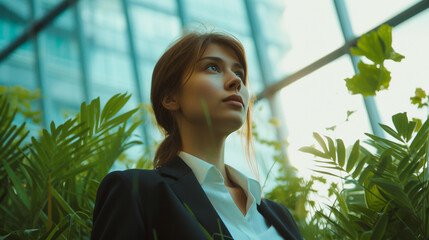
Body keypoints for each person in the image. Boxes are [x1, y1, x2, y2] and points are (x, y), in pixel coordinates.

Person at [91, 30, 303, 240]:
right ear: (170, 98)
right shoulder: (137, 193)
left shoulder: (281, 216)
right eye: (213, 67)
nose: (235, 81)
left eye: (239, 73)